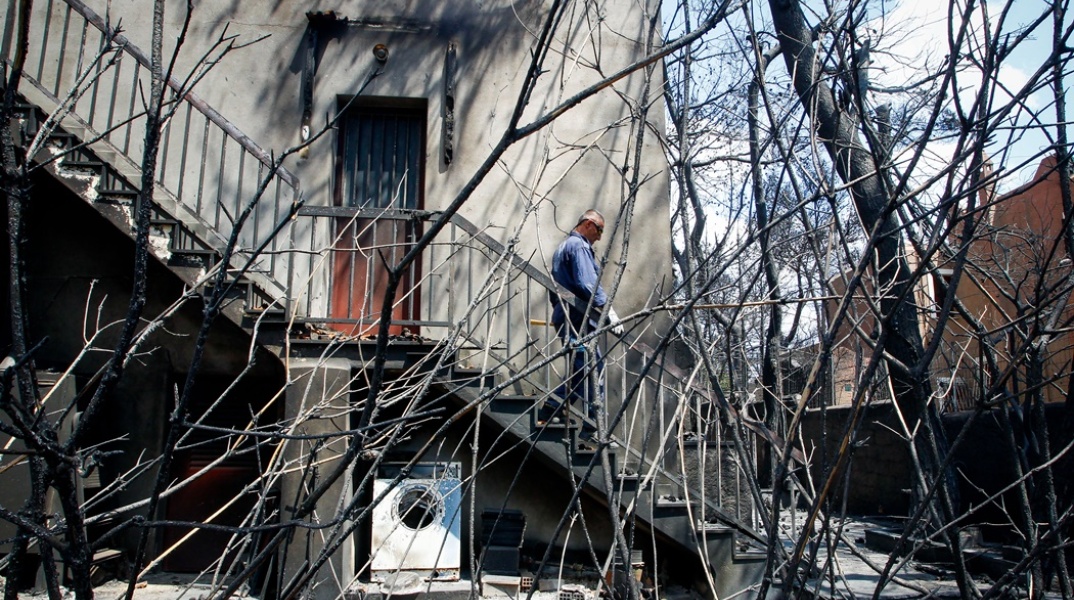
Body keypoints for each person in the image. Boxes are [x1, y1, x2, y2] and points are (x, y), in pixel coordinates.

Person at [540, 209, 624, 439]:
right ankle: (591, 428)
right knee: (592, 367)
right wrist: (609, 311)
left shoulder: (564, 247)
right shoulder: (578, 247)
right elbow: (587, 284)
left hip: (569, 318)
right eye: (599, 230)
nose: (599, 236)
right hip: (576, 320)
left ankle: (551, 410)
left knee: (582, 369)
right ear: (588, 224)